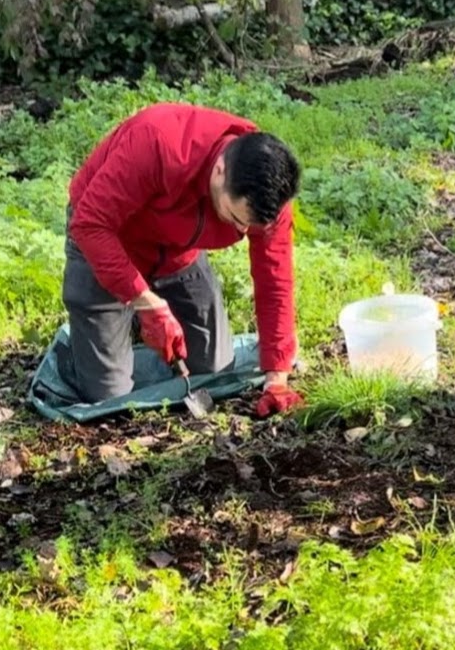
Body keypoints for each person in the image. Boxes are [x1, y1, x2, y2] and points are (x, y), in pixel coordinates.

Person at [61, 102, 304, 418]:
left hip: (177, 252)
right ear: (219, 171)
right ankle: (104, 329)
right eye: (233, 218)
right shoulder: (157, 142)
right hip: (106, 239)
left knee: (215, 367)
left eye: (249, 226)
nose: (242, 231)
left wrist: (277, 377)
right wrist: (145, 302)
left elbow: (275, 280)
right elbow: (90, 224)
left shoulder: (269, 194)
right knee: (110, 399)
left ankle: (136, 318)